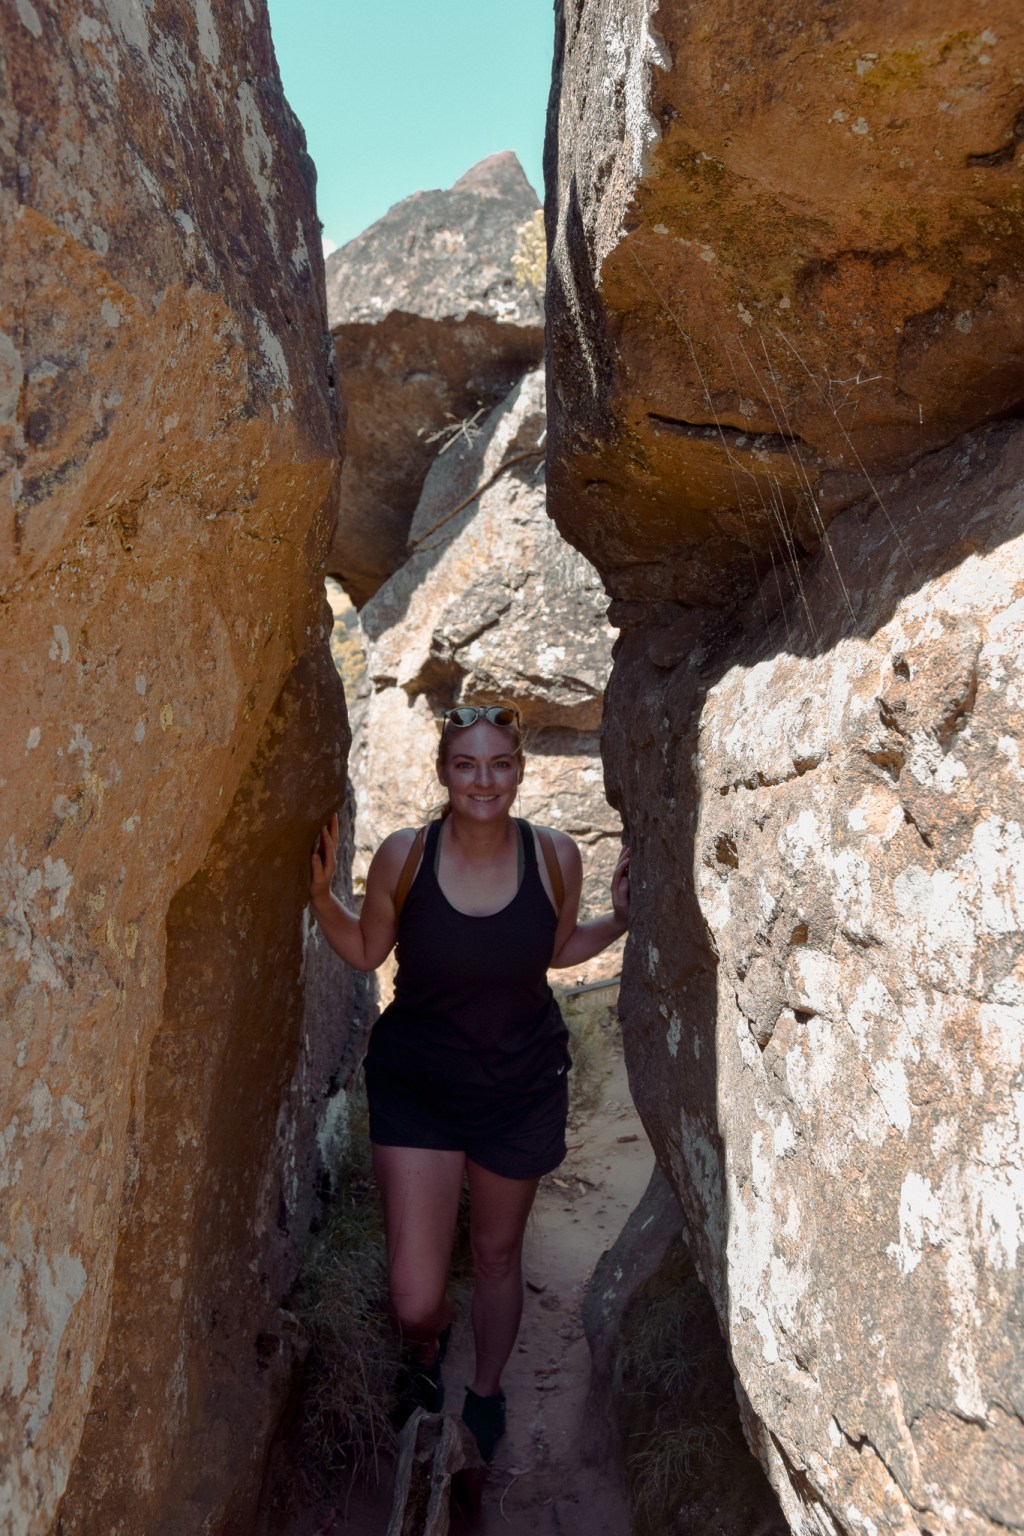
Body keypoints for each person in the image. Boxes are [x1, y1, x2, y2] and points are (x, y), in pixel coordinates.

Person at [309, 702, 630, 1462]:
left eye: (499, 764)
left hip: (516, 1088)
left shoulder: (555, 856)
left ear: (519, 770)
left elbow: (552, 951)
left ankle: (485, 1390)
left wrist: (616, 924)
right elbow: (364, 950)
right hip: (419, 1086)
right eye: (466, 764)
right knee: (414, 1298)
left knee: (495, 1255)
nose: (483, 780)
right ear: (445, 773)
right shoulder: (405, 856)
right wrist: (323, 898)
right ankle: (427, 1347)